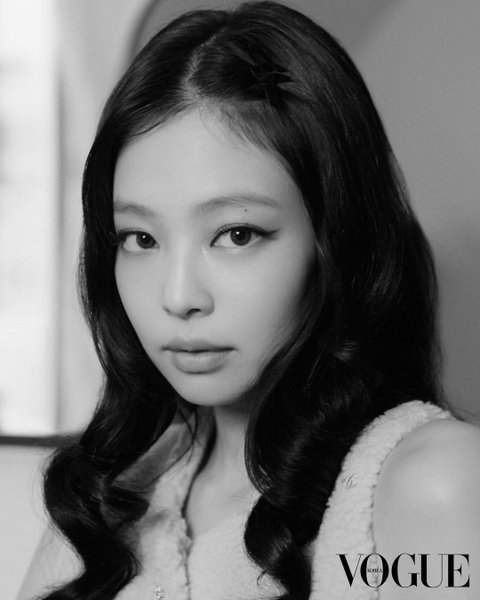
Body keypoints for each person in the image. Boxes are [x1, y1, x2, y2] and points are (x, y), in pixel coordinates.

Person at [18, 2, 480, 599]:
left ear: (335, 238)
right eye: (141, 239)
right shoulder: (106, 503)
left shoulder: (428, 484)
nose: (178, 297)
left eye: (236, 235)